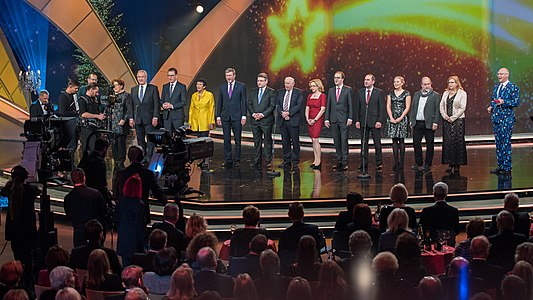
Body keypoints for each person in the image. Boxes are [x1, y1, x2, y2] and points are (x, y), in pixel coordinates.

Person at [0, 166, 38, 287]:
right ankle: (28, 284)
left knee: (19, 258)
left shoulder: (9, 190)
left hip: (14, 233)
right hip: (28, 233)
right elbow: (37, 190)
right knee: (28, 260)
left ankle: (20, 282)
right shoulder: (30, 191)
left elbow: (3, 191)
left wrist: (10, 183)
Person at [113, 146, 166, 224]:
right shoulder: (148, 174)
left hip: (123, 214)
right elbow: (157, 192)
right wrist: (166, 202)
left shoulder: (120, 174)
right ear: (141, 157)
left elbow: (115, 195)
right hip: (141, 214)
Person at [488, 68, 520, 175]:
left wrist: (504, 102)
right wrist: (491, 107)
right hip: (496, 118)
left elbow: (515, 102)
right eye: (498, 74)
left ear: (507, 75)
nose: (499, 75)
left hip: (506, 119)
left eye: (501, 74)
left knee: (506, 143)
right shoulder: (497, 87)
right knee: (498, 143)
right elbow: (494, 100)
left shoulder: (513, 87)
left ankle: (507, 167)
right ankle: (500, 165)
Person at [64, 168, 108, 247]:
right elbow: (104, 211)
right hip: (95, 231)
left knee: (80, 254)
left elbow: (69, 215)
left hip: (79, 231)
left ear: (72, 180)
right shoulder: (95, 193)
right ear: (84, 178)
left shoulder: (68, 198)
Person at [278, 202, 325, 269]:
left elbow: (281, 254)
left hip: (292, 270)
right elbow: (318, 248)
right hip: (312, 268)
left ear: (289, 215)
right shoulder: (313, 229)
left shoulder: (285, 234)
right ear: (303, 214)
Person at [216, 67, 247, 168]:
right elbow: (219, 102)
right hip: (225, 116)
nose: (228, 77)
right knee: (226, 139)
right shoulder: (222, 87)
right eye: (227, 76)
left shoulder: (241, 86)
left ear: (234, 75)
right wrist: (218, 116)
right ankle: (228, 159)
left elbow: (244, 102)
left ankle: (237, 159)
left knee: (237, 139)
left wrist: (244, 115)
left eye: (230, 75)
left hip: (237, 116)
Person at [409, 76, 441, 172]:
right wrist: (411, 120)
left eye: (428, 84)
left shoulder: (435, 95)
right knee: (416, 143)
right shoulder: (416, 94)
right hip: (418, 123)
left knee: (429, 144)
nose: (426, 86)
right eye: (424, 84)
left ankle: (427, 164)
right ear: (421, 85)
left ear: (431, 84)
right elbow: (413, 108)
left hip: (429, 123)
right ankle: (418, 163)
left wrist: (435, 122)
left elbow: (437, 110)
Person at [114, 174, 146, 266]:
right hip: (135, 241)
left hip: (124, 237)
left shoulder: (122, 201)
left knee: (126, 267)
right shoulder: (139, 204)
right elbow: (141, 226)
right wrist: (145, 242)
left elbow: (116, 218)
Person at [355, 74, 386, 172]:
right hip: (363, 121)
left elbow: (382, 108)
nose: (366, 81)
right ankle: (363, 163)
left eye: (368, 80)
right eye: (365, 80)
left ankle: (378, 163)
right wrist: (357, 120)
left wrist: (380, 120)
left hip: (375, 122)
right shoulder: (360, 92)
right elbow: (357, 108)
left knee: (377, 144)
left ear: (373, 81)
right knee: (364, 143)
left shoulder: (379, 92)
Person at [129, 70, 160, 163]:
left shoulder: (153, 88)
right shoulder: (133, 89)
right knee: (140, 139)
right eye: (139, 77)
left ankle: (150, 157)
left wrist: (155, 117)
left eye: (142, 77)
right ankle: (142, 157)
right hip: (138, 119)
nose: (140, 79)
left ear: (146, 78)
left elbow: (156, 104)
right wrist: (131, 118)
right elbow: (132, 105)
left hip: (149, 119)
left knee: (150, 140)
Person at [247, 73, 277, 170]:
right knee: (257, 141)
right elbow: (249, 104)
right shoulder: (253, 91)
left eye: (261, 81)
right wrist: (253, 114)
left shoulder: (271, 92)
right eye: (258, 81)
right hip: (255, 121)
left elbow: (272, 106)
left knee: (267, 141)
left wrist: (262, 114)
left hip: (266, 121)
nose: (259, 83)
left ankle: (268, 161)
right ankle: (257, 161)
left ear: (266, 81)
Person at [324, 71, 353, 171]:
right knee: (336, 141)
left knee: (344, 140)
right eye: (335, 77)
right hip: (333, 119)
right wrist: (326, 118)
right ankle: (339, 161)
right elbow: (329, 105)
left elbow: (350, 105)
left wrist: (350, 117)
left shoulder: (348, 90)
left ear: (342, 79)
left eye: (338, 78)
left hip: (344, 119)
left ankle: (345, 162)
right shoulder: (331, 90)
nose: (336, 79)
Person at [440, 75, 468, 174]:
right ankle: (450, 163)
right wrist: (445, 116)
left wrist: (453, 118)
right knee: (448, 142)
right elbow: (441, 106)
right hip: (446, 121)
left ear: (457, 83)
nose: (450, 84)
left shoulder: (462, 93)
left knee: (457, 142)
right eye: (449, 82)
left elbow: (462, 107)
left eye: (452, 82)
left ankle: (457, 165)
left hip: (458, 121)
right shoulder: (445, 93)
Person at [419, 182, 460, 246]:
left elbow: (422, 230)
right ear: (446, 194)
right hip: (449, 245)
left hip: (431, 245)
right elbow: (457, 231)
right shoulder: (453, 211)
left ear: (434, 194)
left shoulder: (426, 211)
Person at [188, 78, 215, 171]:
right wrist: (190, 122)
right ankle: (201, 160)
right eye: (197, 84)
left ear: (204, 86)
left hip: (205, 121)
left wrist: (212, 121)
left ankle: (206, 162)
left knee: (205, 143)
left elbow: (211, 109)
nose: (198, 86)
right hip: (196, 121)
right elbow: (191, 109)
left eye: (200, 84)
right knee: (198, 142)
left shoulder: (209, 95)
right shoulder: (194, 95)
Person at [277, 76, 303, 171]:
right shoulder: (280, 92)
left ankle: (295, 161)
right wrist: (282, 113)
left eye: (288, 83)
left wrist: (289, 113)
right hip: (283, 120)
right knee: (285, 142)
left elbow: (298, 105)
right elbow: (278, 105)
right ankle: (286, 161)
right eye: (285, 83)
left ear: (293, 84)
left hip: (293, 120)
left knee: (295, 141)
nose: (286, 85)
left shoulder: (298, 92)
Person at [386, 76, 411, 171]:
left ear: (402, 83)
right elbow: (388, 106)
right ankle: (396, 161)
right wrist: (391, 118)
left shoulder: (406, 93)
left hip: (402, 118)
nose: (395, 83)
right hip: (392, 117)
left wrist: (400, 118)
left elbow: (407, 107)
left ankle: (402, 162)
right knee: (394, 140)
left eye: (397, 82)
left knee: (401, 140)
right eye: (394, 82)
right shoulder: (390, 93)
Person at [79, 138, 112, 206]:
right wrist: (108, 201)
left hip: (84, 192)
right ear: (104, 149)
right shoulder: (100, 162)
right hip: (94, 195)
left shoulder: (88, 158)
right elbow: (102, 184)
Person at [110, 78, 132, 169]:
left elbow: (128, 108)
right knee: (113, 141)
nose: (114, 87)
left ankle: (121, 160)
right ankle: (115, 160)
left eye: (116, 85)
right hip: (113, 122)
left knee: (121, 142)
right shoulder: (112, 96)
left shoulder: (126, 95)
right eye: (113, 86)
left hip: (122, 122)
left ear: (121, 86)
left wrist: (124, 119)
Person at [305, 78, 326, 169]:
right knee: (313, 140)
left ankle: (319, 161)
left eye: (314, 86)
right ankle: (315, 159)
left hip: (317, 119)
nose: (312, 88)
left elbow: (322, 109)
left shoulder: (322, 96)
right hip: (310, 119)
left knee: (315, 139)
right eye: (311, 86)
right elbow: (307, 108)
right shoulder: (309, 96)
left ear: (318, 86)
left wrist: (315, 119)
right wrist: (307, 118)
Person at [79, 82, 105, 154]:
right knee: (90, 147)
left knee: (97, 147)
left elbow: (95, 111)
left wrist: (100, 115)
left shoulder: (95, 100)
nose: (97, 94)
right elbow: (83, 114)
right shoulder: (82, 100)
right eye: (96, 91)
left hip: (96, 127)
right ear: (90, 89)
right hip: (87, 127)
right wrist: (97, 116)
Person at [57, 78, 81, 152]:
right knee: (71, 145)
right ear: (70, 86)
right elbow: (62, 112)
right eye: (75, 88)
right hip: (68, 125)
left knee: (74, 145)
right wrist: (75, 113)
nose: (77, 90)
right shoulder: (63, 97)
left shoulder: (73, 96)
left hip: (73, 123)